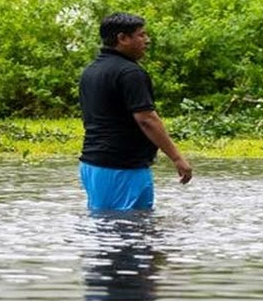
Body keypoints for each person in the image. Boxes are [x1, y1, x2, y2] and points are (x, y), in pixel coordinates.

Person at [78, 12, 193, 212]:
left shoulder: (92, 70)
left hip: (94, 164)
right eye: (141, 35)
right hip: (121, 167)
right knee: (130, 229)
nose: (147, 40)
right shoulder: (130, 73)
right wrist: (177, 158)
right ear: (122, 38)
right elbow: (147, 119)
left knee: (108, 229)